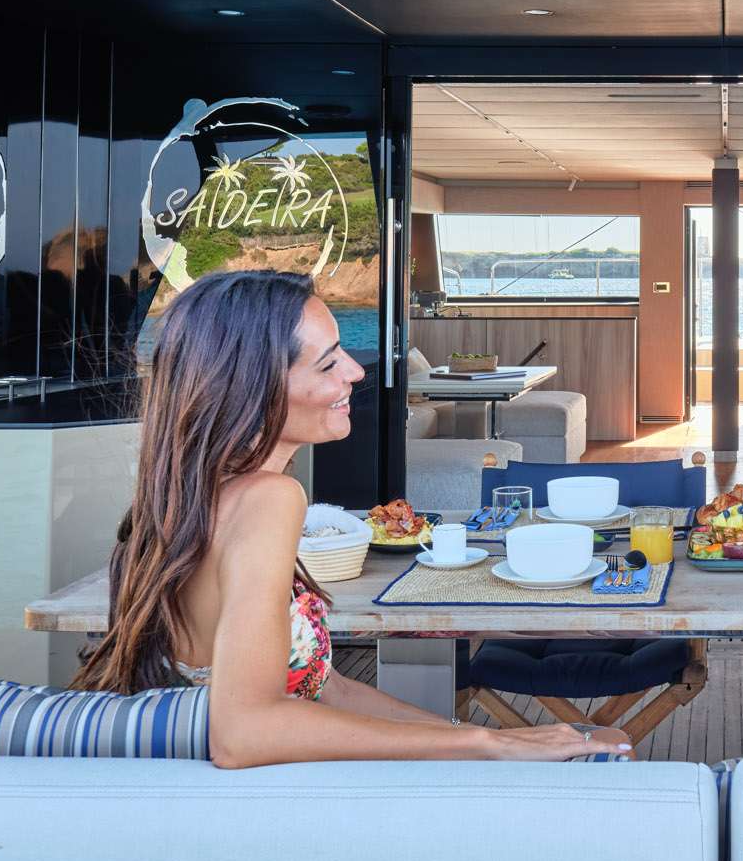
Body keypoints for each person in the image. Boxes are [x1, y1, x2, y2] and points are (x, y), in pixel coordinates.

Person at [74, 268, 629, 766]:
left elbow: (324, 689)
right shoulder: (270, 499)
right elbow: (243, 731)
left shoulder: (186, 498)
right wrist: (486, 742)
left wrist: (478, 741)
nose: (355, 374)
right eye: (328, 361)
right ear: (256, 385)